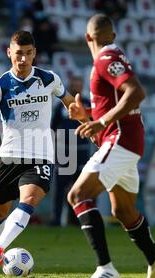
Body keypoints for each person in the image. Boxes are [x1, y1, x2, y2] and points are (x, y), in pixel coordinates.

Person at [67, 14, 155, 278]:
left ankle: (105, 268)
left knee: (78, 195)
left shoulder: (105, 59)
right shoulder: (110, 57)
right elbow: (114, 106)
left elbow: (136, 93)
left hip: (121, 139)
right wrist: (87, 116)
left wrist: (100, 122)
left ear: (88, 38)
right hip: (125, 140)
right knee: (123, 210)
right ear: (112, 35)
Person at [0, 30, 76, 276]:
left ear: (35, 53)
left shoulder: (49, 79)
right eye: (18, 54)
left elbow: (69, 101)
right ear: (9, 53)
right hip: (10, 155)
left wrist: (81, 114)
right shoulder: (1, 84)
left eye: (28, 54)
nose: (23, 59)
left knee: (29, 200)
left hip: (40, 155)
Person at [50, 75, 90, 226]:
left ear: (82, 85)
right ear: (70, 85)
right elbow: (53, 127)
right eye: (74, 83)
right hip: (64, 152)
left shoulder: (87, 104)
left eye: (79, 83)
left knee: (79, 189)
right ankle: (56, 220)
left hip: (82, 151)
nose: (76, 86)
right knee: (60, 189)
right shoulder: (61, 105)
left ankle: (76, 221)